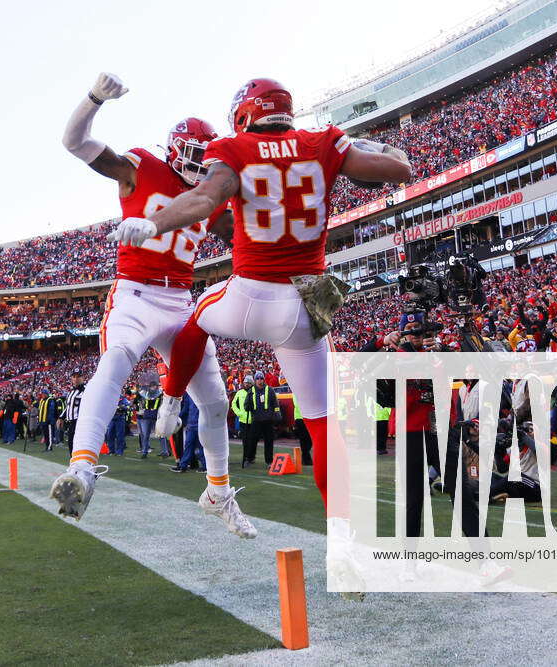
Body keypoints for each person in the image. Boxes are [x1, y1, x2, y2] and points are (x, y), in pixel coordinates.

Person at [121, 77, 411, 520]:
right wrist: (387, 149)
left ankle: (173, 398)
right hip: (310, 302)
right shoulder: (323, 143)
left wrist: (153, 224)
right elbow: (399, 171)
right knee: (321, 422)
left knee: (194, 320)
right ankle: (346, 533)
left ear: (243, 115)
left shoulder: (234, 149)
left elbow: (203, 199)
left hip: (252, 293)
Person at [51, 72, 254, 539]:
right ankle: (82, 468)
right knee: (115, 362)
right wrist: (93, 99)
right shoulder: (139, 168)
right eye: (196, 156)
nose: (202, 166)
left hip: (181, 301)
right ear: (174, 149)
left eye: (209, 159)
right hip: (136, 294)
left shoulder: (210, 199)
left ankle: (218, 492)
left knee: (216, 401)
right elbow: (74, 142)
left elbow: (245, 237)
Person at [242, 371, 280, 467]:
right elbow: (246, 405)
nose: (259, 380)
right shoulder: (251, 391)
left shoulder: (270, 390)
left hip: (268, 420)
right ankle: (249, 459)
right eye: (258, 379)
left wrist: (277, 413)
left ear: (264, 379)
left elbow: (275, 404)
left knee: (269, 441)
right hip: (256, 420)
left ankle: (269, 461)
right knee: (252, 441)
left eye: (261, 378)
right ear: (255, 380)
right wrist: (248, 406)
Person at [171, 393, 205, 472]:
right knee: (188, 445)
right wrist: (178, 417)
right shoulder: (189, 394)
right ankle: (183, 465)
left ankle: (205, 466)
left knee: (200, 446)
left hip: (200, 424)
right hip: (191, 424)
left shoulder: (203, 393)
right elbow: (186, 408)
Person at [135, 381, 161, 459]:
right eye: (154, 386)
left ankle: (166, 451)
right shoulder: (145, 394)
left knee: (161, 434)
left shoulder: (158, 393)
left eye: (155, 386)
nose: (155, 387)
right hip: (147, 416)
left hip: (155, 416)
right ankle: (144, 452)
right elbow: (138, 399)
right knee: (146, 435)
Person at [62, 371, 86, 455]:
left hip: (80, 422)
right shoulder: (71, 392)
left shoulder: (86, 391)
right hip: (70, 422)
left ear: (83, 378)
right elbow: (68, 407)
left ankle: (81, 465)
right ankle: (74, 464)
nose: (76, 379)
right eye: (74, 377)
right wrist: (61, 417)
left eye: (78, 377)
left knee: (79, 445)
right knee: (71, 445)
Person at [231, 376, 253, 448]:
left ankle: (251, 456)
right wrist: (239, 413)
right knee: (244, 439)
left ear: (251, 384)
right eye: (245, 383)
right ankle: (246, 456)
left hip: (253, 420)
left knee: (252, 440)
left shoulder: (255, 392)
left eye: (248, 383)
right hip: (243, 420)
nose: (246, 384)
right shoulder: (239, 393)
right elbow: (233, 404)